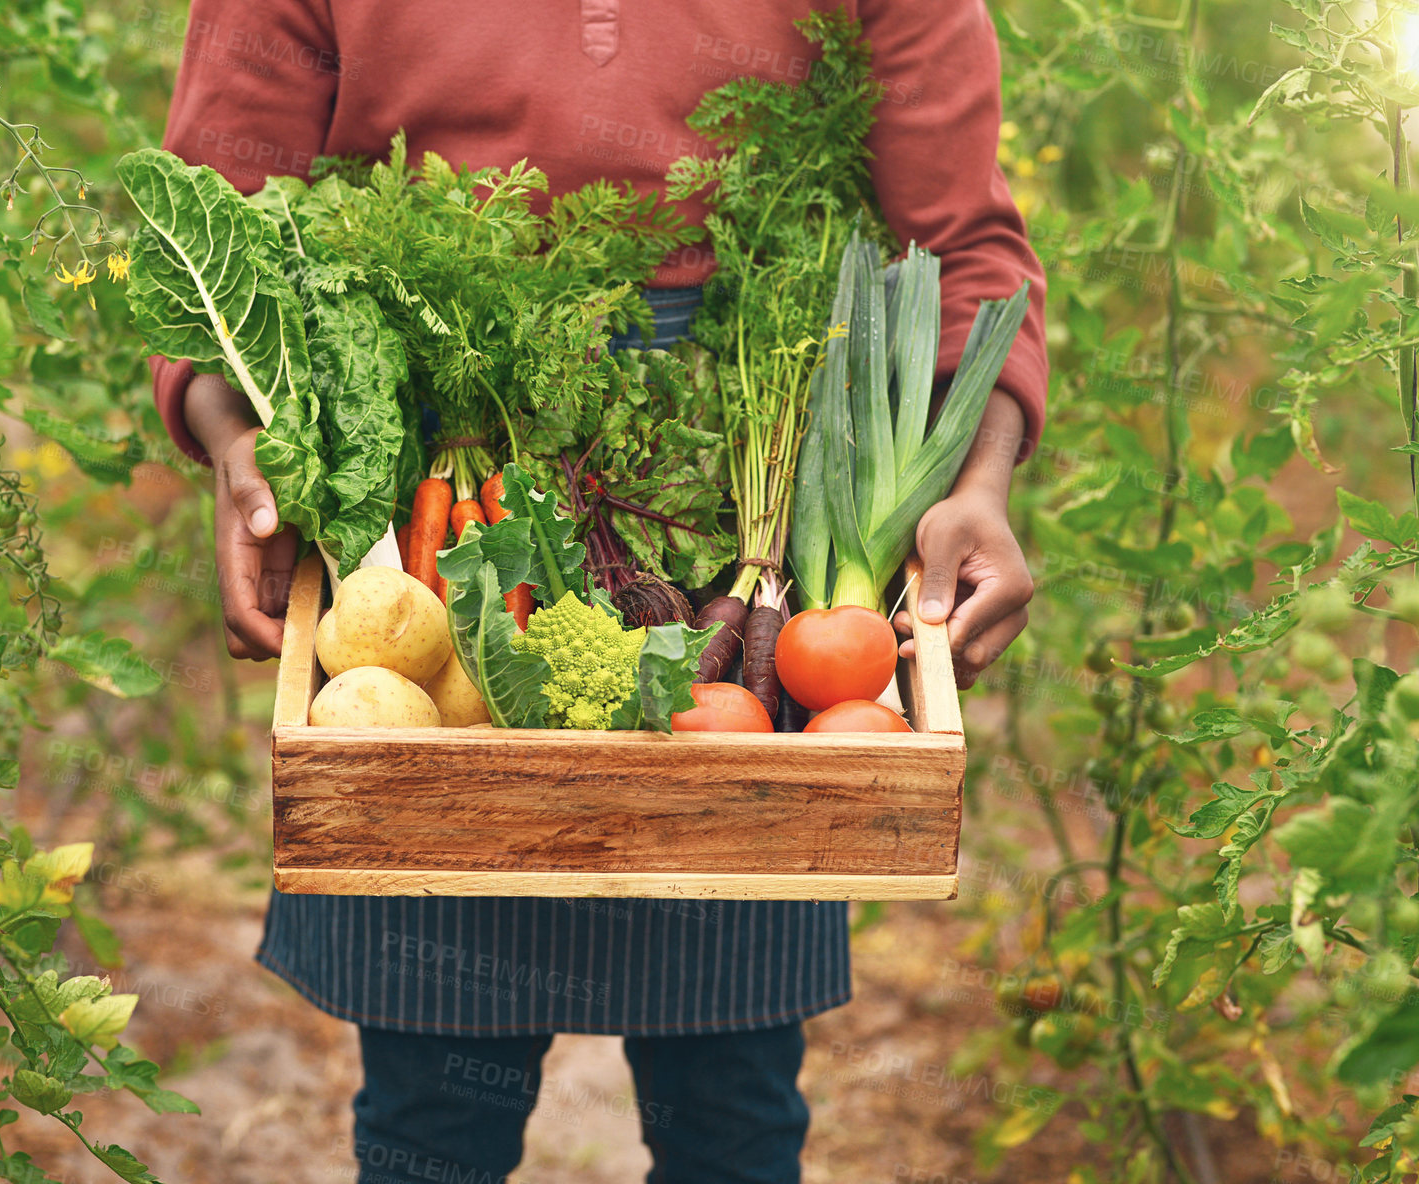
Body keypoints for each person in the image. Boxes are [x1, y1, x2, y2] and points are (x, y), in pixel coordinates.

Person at [149, 3, 1046, 1181]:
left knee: (731, 1095)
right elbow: (215, 227)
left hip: (735, 517)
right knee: (430, 1107)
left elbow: (965, 246)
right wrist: (233, 436)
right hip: (434, 507)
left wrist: (976, 478)